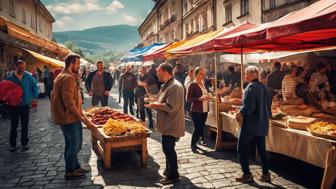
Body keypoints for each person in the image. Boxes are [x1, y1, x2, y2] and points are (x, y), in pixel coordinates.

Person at [145, 63, 185, 185]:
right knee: (167, 148)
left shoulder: (175, 86)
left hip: (171, 124)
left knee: (168, 149)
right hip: (167, 123)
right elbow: (164, 100)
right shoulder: (168, 85)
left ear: (165, 72)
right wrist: (154, 100)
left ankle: (174, 175)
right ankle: (169, 171)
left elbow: (170, 107)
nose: (157, 74)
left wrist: (155, 105)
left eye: (158, 72)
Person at [51, 54, 90, 179]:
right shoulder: (68, 78)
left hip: (64, 117)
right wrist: (80, 116)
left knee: (69, 144)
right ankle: (69, 171)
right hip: (70, 118)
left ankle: (76, 166)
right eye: (77, 64)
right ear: (71, 64)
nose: (79, 67)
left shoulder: (59, 76)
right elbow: (68, 102)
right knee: (75, 145)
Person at [235, 66, 272, 183]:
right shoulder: (265, 87)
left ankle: (247, 174)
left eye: (246, 74)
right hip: (262, 123)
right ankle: (266, 174)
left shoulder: (251, 87)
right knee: (262, 150)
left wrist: (240, 110)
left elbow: (249, 108)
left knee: (241, 147)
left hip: (250, 125)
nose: (245, 76)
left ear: (252, 74)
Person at [7, 60, 38, 152]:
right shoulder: (10, 78)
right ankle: (13, 144)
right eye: (20, 68)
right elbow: (7, 91)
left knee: (25, 125)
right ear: (15, 67)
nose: (22, 69)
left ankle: (24, 143)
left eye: (23, 68)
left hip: (25, 104)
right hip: (14, 105)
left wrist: (34, 98)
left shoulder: (28, 77)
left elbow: (34, 87)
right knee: (14, 125)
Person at [187, 67, 211, 152]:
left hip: (205, 109)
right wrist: (199, 99)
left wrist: (208, 96)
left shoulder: (203, 83)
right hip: (196, 110)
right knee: (197, 128)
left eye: (204, 74)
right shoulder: (192, 84)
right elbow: (189, 98)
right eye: (201, 74)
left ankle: (199, 141)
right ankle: (193, 145)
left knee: (201, 127)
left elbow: (205, 94)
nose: (203, 75)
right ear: (196, 74)